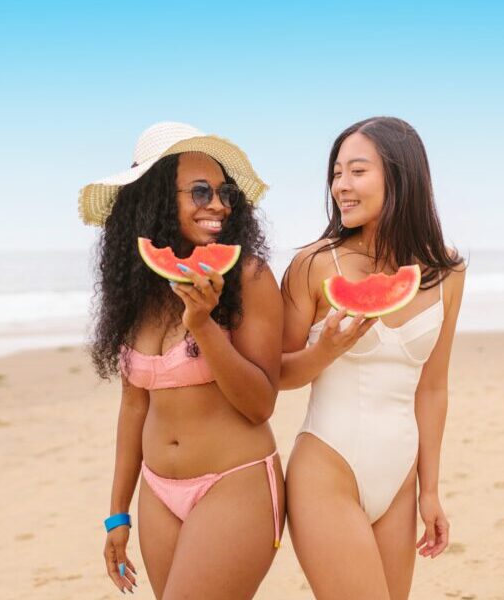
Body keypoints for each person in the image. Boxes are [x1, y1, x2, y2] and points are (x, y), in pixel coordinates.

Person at [79, 122, 284, 598]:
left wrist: (205, 325)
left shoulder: (249, 276)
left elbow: (259, 405)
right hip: (157, 494)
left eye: (224, 192)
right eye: (199, 191)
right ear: (154, 200)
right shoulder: (139, 290)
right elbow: (134, 406)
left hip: (235, 482)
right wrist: (117, 514)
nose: (217, 204)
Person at [280, 116, 466, 599]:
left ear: (400, 177)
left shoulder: (447, 270)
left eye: (357, 171)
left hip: (400, 477)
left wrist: (430, 491)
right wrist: (324, 350)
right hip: (326, 468)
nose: (341, 185)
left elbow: (433, 387)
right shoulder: (314, 264)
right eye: (337, 172)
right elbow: (274, 375)